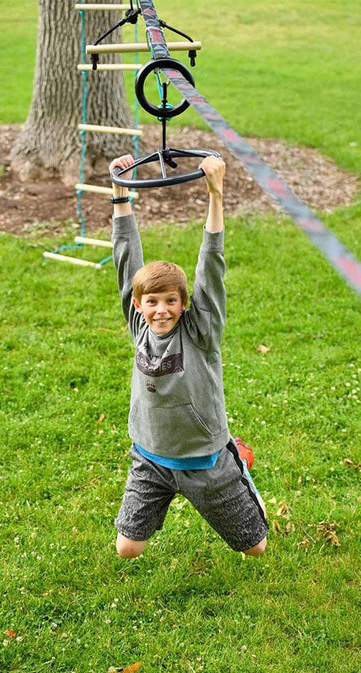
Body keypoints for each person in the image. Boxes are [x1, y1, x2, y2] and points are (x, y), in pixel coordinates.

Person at [109, 153, 268, 558]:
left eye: (170, 301)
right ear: (139, 305)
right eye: (151, 302)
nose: (159, 309)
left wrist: (215, 195)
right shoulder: (140, 324)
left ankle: (239, 464)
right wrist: (119, 194)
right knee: (127, 549)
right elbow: (127, 261)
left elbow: (210, 268)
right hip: (151, 459)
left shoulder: (199, 333)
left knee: (256, 548)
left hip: (205, 461)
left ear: (184, 304)